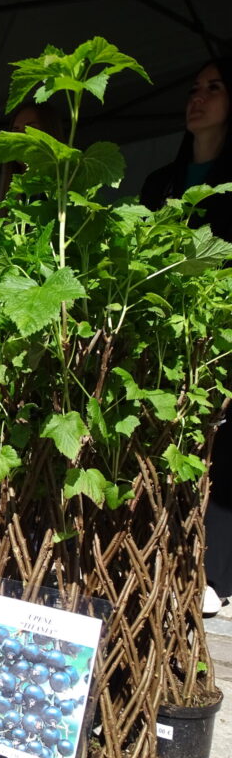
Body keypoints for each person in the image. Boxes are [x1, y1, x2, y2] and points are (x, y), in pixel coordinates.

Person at [141, 58, 232, 614]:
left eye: (214, 88)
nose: (198, 97)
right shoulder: (161, 183)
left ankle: (213, 574)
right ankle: (159, 558)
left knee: (219, 439)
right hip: (163, 329)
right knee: (161, 440)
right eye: (194, 88)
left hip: (221, 329)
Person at [0, 102, 66, 201]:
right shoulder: (7, 192)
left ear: (49, 134)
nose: (20, 136)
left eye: (30, 129)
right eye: (16, 130)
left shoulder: (67, 185)